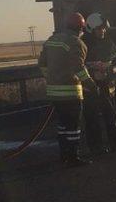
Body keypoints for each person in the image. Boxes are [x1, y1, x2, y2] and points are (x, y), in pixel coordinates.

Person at [38, 11, 96, 166]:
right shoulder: (77, 43)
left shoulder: (51, 40)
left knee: (62, 126)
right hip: (71, 94)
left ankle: (64, 155)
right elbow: (78, 67)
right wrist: (90, 83)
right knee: (73, 127)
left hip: (53, 93)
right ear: (81, 28)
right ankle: (73, 157)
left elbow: (42, 63)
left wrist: (51, 78)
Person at [83, 12, 116, 154]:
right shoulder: (83, 45)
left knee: (111, 115)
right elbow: (78, 66)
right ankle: (96, 147)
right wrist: (93, 75)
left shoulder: (108, 43)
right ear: (91, 29)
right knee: (92, 118)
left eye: (104, 28)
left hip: (106, 86)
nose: (103, 31)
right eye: (100, 29)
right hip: (90, 88)